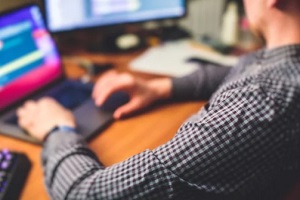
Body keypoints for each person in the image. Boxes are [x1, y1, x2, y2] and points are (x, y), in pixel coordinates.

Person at [17, 0, 300, 199]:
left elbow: (87, 194)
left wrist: (57, 129)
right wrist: (159, 88)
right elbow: (242, 68)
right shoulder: (281, 62)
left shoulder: (262, 100)